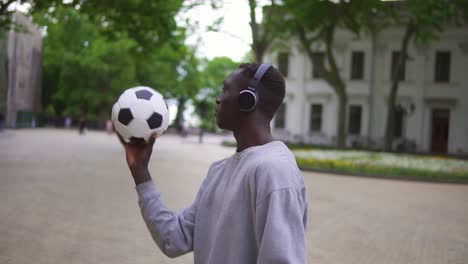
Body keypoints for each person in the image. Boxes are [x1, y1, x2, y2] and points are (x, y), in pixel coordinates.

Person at [118, 63, 308, 263]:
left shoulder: (274, 171)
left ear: (248, 100)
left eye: (226, 90)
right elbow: (173, 238)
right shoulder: (218, 170)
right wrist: (140, 171)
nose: (218, 99)